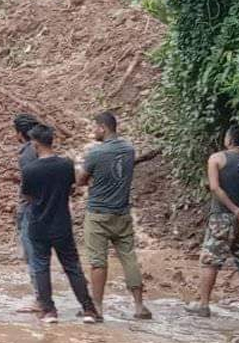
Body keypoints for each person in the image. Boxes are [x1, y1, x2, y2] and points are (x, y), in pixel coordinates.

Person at [77, 111, 152, 320]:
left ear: (103, 127)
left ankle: (98, 307)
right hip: (122, 212)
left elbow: (81, 180)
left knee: (98, 261)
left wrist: (80, 171)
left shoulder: (95, 153)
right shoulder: (129, 149)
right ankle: (139, 306)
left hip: (98, 213)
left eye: (95, 127)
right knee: (129, 257)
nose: (93, 131)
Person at [23, 124, 101, 324]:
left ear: (35, 144)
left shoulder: (30, 169)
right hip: (62, 223)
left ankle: (49, 311)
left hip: (38, 224)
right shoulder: (66, 164)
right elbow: (72, 187)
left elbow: (28, 196)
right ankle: (89, 309)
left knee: (41, 266)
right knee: (72, 266)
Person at [185, 125, 239, 317]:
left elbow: (215, 187)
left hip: (221, 217)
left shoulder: (217, 159)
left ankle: (203, 304)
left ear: (229, 140)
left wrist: (233, 209)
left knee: (210, 261)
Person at [12, 113, 42, 312]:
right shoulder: (40, 149)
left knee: (33, 254)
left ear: (19, 133)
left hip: (31, 208)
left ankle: (40, 298)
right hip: (43, 207)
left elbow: (31, 185)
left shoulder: (27, 154)